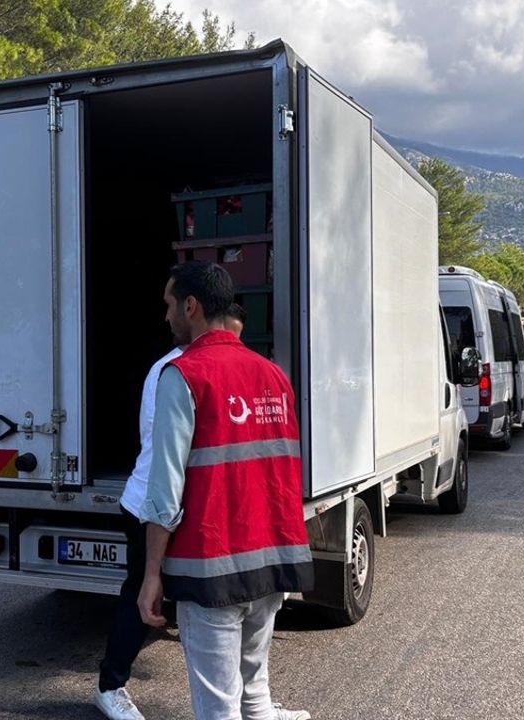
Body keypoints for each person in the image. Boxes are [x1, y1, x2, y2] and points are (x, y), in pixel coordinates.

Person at [138, 262, 313, 720]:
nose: (166, 315)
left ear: (191, 306)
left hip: (211, 568)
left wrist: (152, 574)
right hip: (270, 563)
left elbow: (164, 492)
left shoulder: (183, 375)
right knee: (255, 694)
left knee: (218, 708)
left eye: (169, 304)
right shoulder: (272, 375)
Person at [94, 302, 248, 720]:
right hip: (153, 503)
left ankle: (249, 700)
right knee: (144, 596)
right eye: (228, 335)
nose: (232, 345)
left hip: (185, 505)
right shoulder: (178, 371)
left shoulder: (206, 367)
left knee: (210, 603)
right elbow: (169, 458)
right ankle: (111, 686)